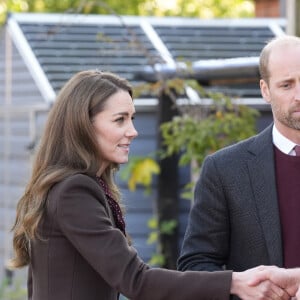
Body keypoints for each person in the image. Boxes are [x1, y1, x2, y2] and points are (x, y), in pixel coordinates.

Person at [8, 70, 289, 300]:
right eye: (120, 120)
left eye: (131, 118)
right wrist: (233, 281)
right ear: (83, 125)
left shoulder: (76, 186)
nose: (133, 131)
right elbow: (136, 280)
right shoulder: (74, 192)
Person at [177, 34, 300, 298]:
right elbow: (195, 264)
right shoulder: (224, 170)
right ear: (265, 90)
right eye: (287, 85)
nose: (299, 95)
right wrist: (237, 285)